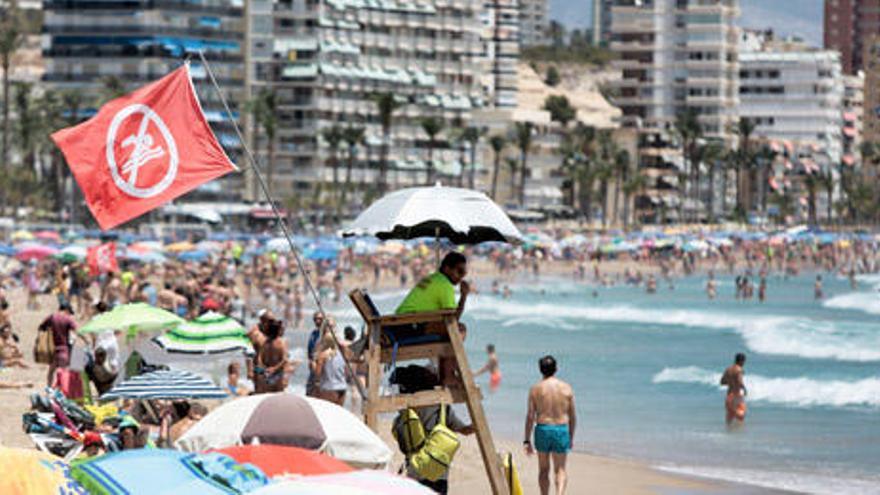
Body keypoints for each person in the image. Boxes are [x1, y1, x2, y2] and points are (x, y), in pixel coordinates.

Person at [395, 252, 471, 385]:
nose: (461, 277)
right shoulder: (444, 285)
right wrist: (464, 296)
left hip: (400, 324)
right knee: (459, 330)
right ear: (447, 268)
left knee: (448, 329)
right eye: (459, 271)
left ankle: (446, 375)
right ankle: (447, 376)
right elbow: (452, 321)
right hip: (409, 326)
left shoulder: (434, 278)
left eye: (464, 273)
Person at [524, 355, 576, 495]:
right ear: (556, 369)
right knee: (560, 469)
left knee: (543, 469)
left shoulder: (535, 389)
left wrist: (527, 440)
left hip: (543, 429)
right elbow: (572, 416)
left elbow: (530, 416)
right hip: (561, 430)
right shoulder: (566, 388)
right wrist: (571, 437)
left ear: (540, 370)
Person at [39, 303, 79, 386]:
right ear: (66, 310)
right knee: (63, 372)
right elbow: (77, 330)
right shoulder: (68, 319)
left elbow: (41, 327)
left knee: (51, 371)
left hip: (52, 349)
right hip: (64, 349)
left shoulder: (52, 317)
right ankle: (62, 390)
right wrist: (86, 341)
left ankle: (49, 388)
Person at [313, 328, 348, 406]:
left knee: (326, 414)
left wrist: (317, 386)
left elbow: (317, 374)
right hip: (342, 387)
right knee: (338, 415)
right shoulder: (342, 354)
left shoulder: (323, 355)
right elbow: (346, 371)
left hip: (329, 388)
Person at [254, 318, 288, 393]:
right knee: (278, 398)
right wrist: (274, 369)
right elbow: (284, 360)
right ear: (278, 330)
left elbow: (259, 358)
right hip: (277, 374)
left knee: (266, 396)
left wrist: (264, 369)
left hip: (266, 373)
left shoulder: (265, 342)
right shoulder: (282, 342)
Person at [720, 353, 748, 427]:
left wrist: (731, 382)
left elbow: (722, 382)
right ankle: (739, 435)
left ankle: (729, 435)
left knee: (730, 417)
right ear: (742, 361)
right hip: (736, 396)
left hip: (729, 395)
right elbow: (739, 381)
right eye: (744, 362)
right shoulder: (739, 370)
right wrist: (744, 389)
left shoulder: (728, 369)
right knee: (741, 415)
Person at [305, 311, 326, 397]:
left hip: (322, 369)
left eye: (320, 319)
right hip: (313, 368)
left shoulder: (326, 335)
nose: (317, 321)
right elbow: (310, 350)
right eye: (315, 319)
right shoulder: (313, 334)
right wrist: (310, 361)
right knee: (309, 392)